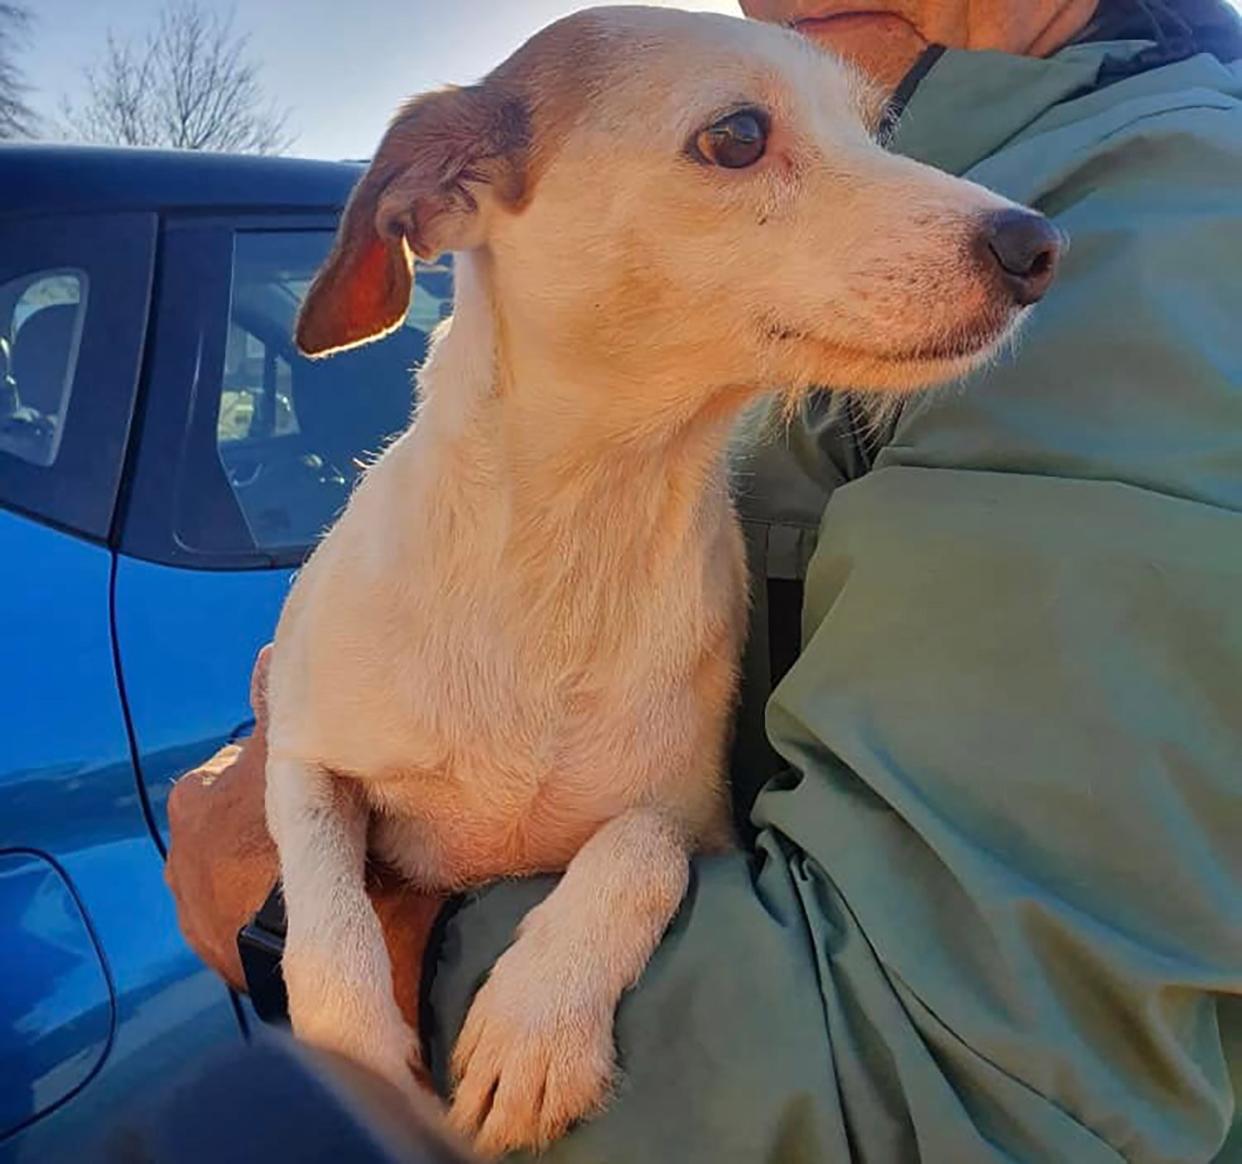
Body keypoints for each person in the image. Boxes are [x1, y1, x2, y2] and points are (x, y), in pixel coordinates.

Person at [164, 1, 1242, 1160]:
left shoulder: (1165, 234)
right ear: (444, 194)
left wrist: (358, 942)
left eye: (741, 140)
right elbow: (316, 753)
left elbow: (967, 1072)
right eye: (737, 142)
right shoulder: (971, 157)